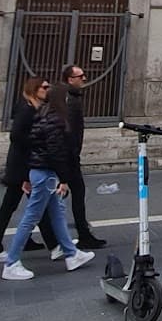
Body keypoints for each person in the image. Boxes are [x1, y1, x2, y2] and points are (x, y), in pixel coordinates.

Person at [1, 85, 93, 281]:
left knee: (58, 214)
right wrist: (65, 179)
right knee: (31, 217)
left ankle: (71, 254)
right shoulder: (56, 120)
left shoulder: (41, 115)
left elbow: (34, 147)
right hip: (46, 173)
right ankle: (11, 262)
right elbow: (54, 152)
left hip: (40, 171)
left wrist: (27, 175)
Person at [0, 77, 59, 260]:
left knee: (22, 205)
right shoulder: (27, 110)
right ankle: (55, 245)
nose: (48, 90)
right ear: (35, 90)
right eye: (45, 87)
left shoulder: (33, 109)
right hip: (23, 165)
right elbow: (17, 136)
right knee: (36, 206)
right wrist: (38, 142)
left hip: (23, 164)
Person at [57, 63, 108, 249]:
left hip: (67, 154)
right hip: (68, 155)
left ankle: (79, 233)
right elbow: (68, 131)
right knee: (73, 194)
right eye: (80, 76)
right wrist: (71, 154)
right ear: (70, 79)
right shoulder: (70, 101)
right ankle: (80, 235)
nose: (84, 78)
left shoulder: (70, 97)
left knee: (59, 197)